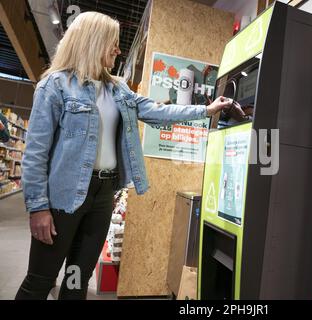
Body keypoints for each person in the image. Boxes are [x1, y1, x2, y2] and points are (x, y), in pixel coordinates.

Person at [15, 11, 232, 300]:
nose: (118, 49)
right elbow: (35, 154)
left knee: (76, 281)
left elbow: (157, 111)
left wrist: (205, 110)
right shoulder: (54, 86)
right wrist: (38, 208)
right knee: (40, 281)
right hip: (62, 199)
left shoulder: (117, 89)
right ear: (92, 41)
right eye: (113, 43)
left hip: (103, 195)